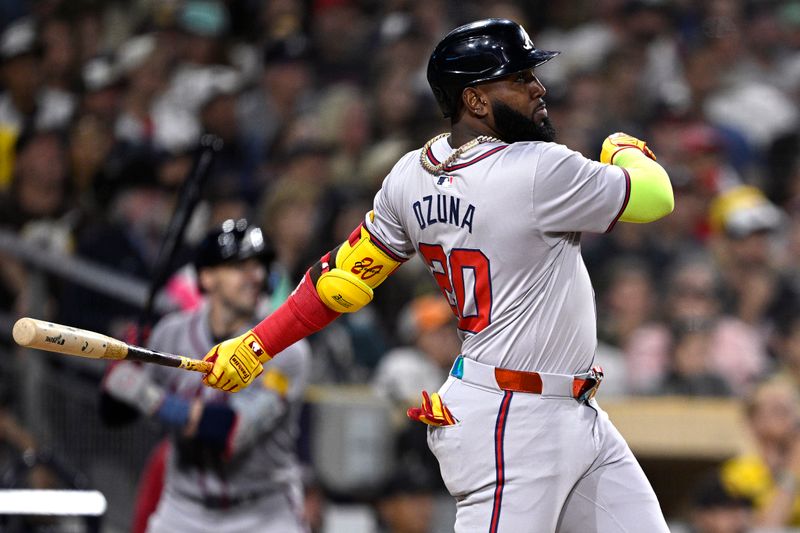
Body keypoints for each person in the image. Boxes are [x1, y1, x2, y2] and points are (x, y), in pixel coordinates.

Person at [201, 18, 674, 532]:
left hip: (566, 411)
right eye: (518, 78)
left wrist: (257, 345)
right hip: (513, 423)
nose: (539, 88)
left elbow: (338, 280)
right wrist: (626, 148)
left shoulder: (410, 175)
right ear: (474, 100)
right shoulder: (538, 167)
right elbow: (655, 196)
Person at [103, 219, 311, 532]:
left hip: (263, 511)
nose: (255, 276)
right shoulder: (170, 334)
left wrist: (143, 393)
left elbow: (228, 432)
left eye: (259, 266)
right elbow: (112, 415)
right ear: (207, 276)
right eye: (240, 266)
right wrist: (123, 367)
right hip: (184, 508)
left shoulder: (286, 348)